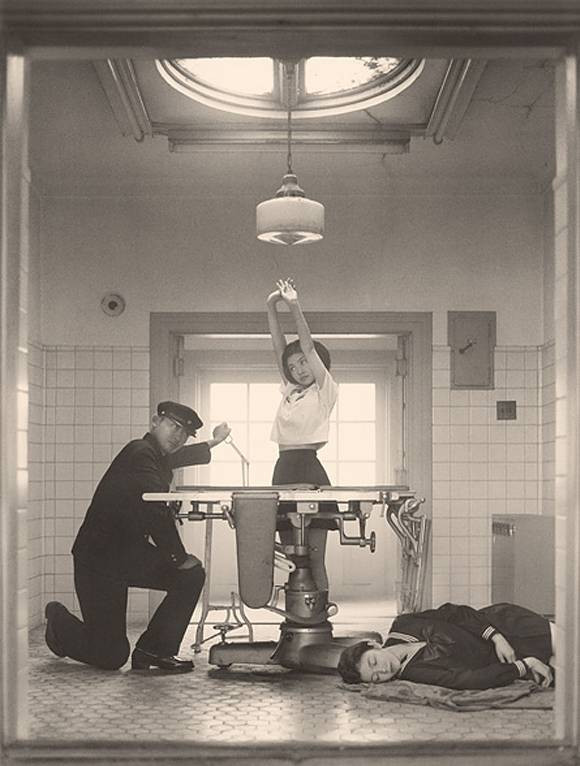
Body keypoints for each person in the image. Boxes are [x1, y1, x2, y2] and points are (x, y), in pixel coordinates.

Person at [44, 401, 231, 674]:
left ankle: (154, 651)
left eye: (184, 432)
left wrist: (215, 441)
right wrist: (178, 557)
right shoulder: (140, 453)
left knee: (191, 576)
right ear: (155, 422)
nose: (178, 436)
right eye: (173, 426)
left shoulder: (154, 455)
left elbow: (179, 457)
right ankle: (58, 622)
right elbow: (156, 511)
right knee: (111, 655)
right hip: (98, 560)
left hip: (127, 554)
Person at [266, 278, 338, 596]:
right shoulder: (290, 390)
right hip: (282, 470)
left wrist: (294, 305)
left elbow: (305, 345)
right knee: (293, 560)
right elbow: (278, 347)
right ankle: (295, 617)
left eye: (304, 363)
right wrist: (271, 306)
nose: (298, 370)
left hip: (309, 469)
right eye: (293, 367)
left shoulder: (325, 389)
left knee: (315, 559)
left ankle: (321, 616)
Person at [338, 601, 554, 689]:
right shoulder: (416, 674)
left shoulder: (403, 623)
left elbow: (454, 613)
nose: (383, 670)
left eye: (374, 662)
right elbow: (466, 680)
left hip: (500, 623)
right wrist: (524, 665)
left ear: (373, 644)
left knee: (566, 640)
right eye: (376, 677)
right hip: (510, 659)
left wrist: (496, 636)